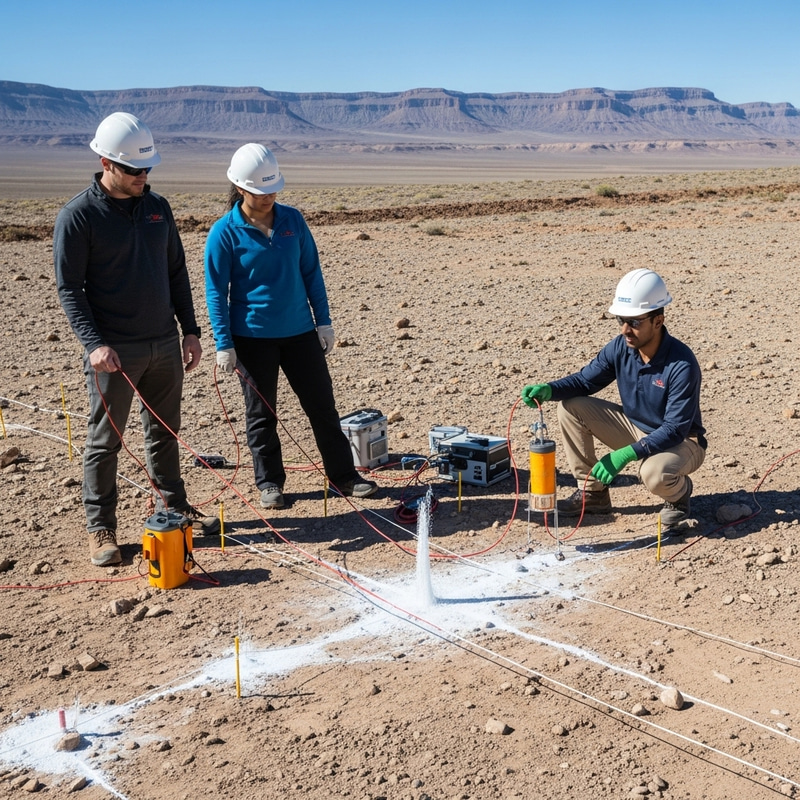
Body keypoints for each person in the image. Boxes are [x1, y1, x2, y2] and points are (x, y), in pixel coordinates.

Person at [54, 111, 219, 567]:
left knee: (164, 433)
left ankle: (173, 506)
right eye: (133, 169)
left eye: (148, 168)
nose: (143, 176)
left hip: (164, 343)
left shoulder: (157, 208)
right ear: (107, 163)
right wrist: (94, 344)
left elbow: (175, 271)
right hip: (115, 353)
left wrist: (190, 330)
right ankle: (100, 527)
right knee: (105, 440)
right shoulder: (79, 216)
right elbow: (70, 288)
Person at [204, 143, 377, 509]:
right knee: (261, 415)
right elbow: (216, 291)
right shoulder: (224, 233)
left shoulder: (293, 221)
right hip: (251, 339)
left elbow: (312, 273)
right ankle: (270, 483)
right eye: (260, 190)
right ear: (240, 188)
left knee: (322, 407)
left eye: (273, 189)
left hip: (300, 333)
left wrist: (323, 322)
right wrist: (224, 342)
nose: (269, 196)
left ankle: (344, 477)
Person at [521, 268, 706, 531]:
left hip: (682, 442)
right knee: (571, 407)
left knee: (653, 474)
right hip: (637, 429)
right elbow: (585, 381)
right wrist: (550, 390)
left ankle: (679, 495)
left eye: (635, 322)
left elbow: (675, 428)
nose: (625, 330)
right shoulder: (622, 347)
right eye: (621, 320)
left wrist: (624, 455)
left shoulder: (681, 364)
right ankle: (593, 493)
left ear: (658, 320)